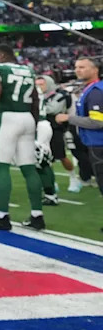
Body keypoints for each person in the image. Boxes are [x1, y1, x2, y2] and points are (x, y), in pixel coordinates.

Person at [0, 44, 45, 231]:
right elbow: (35, 100)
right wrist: (34, 122)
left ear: (0, 55)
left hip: (6, 118)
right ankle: (37, 216)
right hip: (27, 118)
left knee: (1, 167)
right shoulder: (28, 70)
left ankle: (2, 217)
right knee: (29, 168)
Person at [56, 57, 103, 222]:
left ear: (95, 69)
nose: (78, 70)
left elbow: (97, 122)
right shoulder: (90, 89)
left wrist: (68, 118)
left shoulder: (96, 91)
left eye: (82, 67)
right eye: (76, 67)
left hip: (99, 143)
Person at [37, 74, 81, 194]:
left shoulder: (60, 95)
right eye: (37, 84)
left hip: (56, 129)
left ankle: (73, 178)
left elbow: (52, 109)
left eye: (42, 84)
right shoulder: (38, 96)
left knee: (61, 155)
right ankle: (51, 181)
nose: (39, 87)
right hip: (40, 128)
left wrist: (37, 105)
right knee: (45, 157)